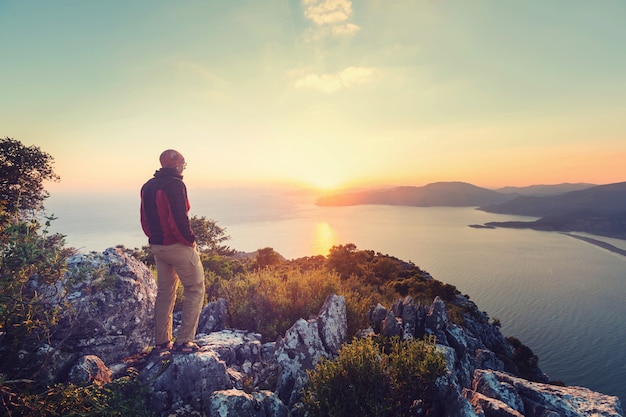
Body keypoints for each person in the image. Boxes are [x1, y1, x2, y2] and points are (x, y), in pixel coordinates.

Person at [140, 149, 205, 353]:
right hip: (176, 246)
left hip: (158, 246)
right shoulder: (175, 185)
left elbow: (144, 219)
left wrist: (154, 239)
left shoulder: (148, 186)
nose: (184, 167)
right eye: (183, 164)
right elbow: (179, 219)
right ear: (176, 165)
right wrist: (190, 241)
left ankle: (161, 342)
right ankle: (184, 341)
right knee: (195, 288)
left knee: (166, 292)